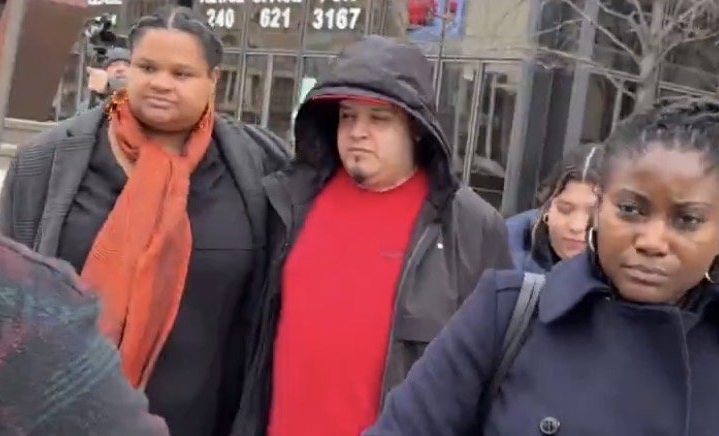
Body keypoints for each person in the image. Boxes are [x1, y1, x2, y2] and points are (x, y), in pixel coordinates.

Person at [0, 6, 289, 436]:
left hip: (201, 420)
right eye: (147, 67)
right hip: (62, 416)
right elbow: (1, 288)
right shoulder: (47, 160)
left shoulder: (262, 168)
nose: (161, 83)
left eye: (182, 73)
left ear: (213, 81)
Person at [364, 99, 719, 435]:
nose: (652, 241)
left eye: (687, 219)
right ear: (601, 206)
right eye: (630, 209)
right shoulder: (506, 314)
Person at [232, 35, 512, 436]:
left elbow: (495, 372)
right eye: (348, 116)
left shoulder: (469, 226)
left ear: (416, 128)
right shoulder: (288, 202)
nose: (358, 132)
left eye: (378, 118)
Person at [0, 202, 169, 435]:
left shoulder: (211, 180)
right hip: (51, 362)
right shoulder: (47, 167)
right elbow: (14, 237)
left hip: (176, 382)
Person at [506, 143, 601, 272]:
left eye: (593, 214)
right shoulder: (508, 256)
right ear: (546, 208)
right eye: (565, 210)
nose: (576, 226)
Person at [79, 47, 131, 112]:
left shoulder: (139, 101)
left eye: (127, 65)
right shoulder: (87, 107)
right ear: (104, 72)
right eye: (113, 65)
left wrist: (108, 84)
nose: (120, 69)